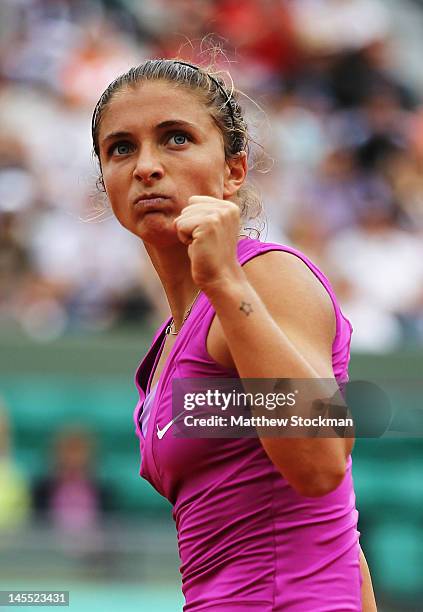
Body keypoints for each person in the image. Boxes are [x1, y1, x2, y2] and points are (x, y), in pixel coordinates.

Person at [91, 58, 377, 611]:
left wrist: (223, 279)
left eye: (176, 139)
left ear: (234, 170)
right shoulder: (167, 344)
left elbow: (318, 466)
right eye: (121, 148)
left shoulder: (264, 277)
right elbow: (326, 517)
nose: (146, 165)